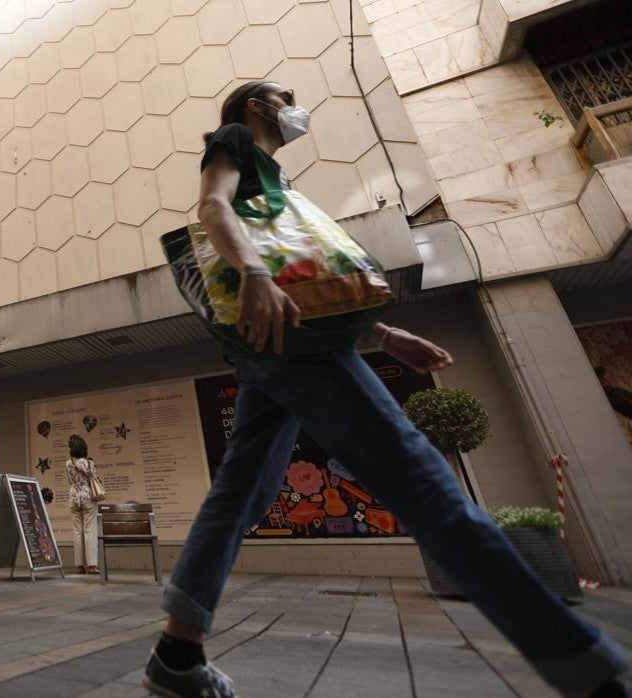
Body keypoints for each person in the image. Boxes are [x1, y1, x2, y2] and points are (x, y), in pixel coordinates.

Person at [141, 80, 631, 698]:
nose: (296, 105)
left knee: (241, 492)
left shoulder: (276, 182)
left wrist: (384, 332)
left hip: (275, 347)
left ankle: (177, 653)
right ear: (256, 107)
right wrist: (256, 273)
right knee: (423, 483)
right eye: (284, 96)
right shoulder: (235, 141)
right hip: (295, 343)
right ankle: (583, 668)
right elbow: (212, 207)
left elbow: (309, 276)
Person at [65, 435, 99, 575]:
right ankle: (92, 565)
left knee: (77, 531)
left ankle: (79, 565)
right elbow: (94, 479)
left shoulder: (68, 464)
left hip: (74, 497)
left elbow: (69, 480)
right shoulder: (89, 464)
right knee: (90, 530)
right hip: (87, 497)